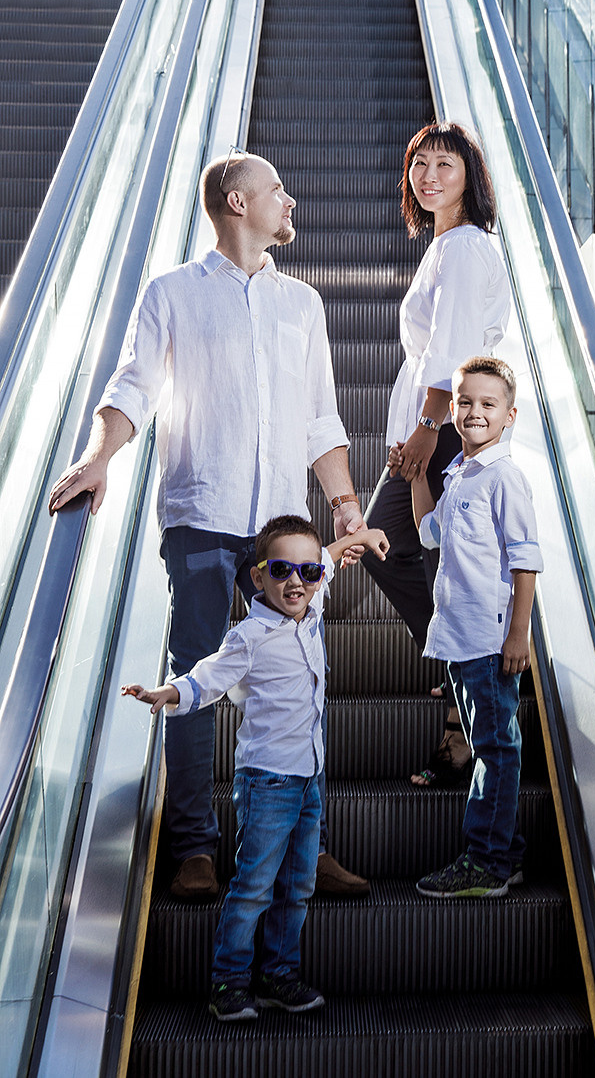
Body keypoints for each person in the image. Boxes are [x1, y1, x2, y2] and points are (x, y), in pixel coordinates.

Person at [48, 150, 369, 899]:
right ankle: (193, 847)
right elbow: (135, 383)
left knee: (294, 687)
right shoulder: (172, 295)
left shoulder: (304, 305)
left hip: (285, 530)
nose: (291, 202)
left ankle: (300, 845)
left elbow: (321, 415)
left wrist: (347, 506)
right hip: (201, 514)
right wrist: (99, 459)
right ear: (235, 201)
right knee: (195, 679)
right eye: (277, 191)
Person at [123, 515, 390, 1020]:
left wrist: (358, 537)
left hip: (311, 777)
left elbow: (327, 559)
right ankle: (228, 981)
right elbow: (208, 677)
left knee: (299, 883)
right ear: (258, 576)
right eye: (283, 570)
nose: (298, 581)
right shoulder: (249, 635)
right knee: (254, 884)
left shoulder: (312, 606)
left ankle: (279, 975)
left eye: (307, 573)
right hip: (267, 780)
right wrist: (170, 691)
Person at [361, 121, 512, 786]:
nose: (428, 176)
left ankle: (473, 682)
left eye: (444, 165)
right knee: (412, 552)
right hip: (434, 425)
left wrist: (426, 427)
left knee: (389, 540)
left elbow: (449, 351)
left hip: (446, 428)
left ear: (471, 178)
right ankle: (464, 690)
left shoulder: (465, 248)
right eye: (419, 165)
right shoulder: (448, 247)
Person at [409, 357, 543, 898]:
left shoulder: (505, 477)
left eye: (488, 404)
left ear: (510, 415)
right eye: (465, 401)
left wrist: (520, 633)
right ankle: (505, 853)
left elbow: (525, 558)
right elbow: (428, 534)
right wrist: (418, 476)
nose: (474, 412)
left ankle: (485, 862)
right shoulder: (460, 474)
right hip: (460, 640)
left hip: (490, 642)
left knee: (494, 749)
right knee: (489, 744)